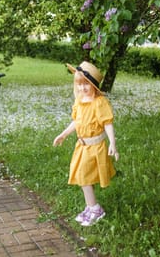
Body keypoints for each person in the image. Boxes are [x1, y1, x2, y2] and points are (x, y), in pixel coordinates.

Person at [53, 61, 119, 226]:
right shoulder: (80, 101)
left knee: (84, 176)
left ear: (94, 85)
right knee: (82, 176)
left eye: (86, 84)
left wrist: (112, 143)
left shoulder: (99, 102)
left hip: (95, 147)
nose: (82, 88)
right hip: (81, 146)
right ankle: (91, 207)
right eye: (79, 84)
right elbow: (76, 121)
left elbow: (107, 123)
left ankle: (95, 208)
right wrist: (64, 134)